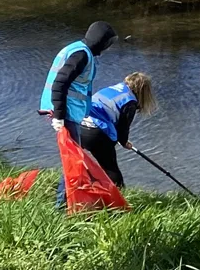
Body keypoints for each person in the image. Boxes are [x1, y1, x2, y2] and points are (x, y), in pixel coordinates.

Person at [40, 21, 118, 207]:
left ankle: (72, 201)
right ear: (101, 41)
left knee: (74, 159)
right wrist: (59, 116)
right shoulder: (81, 55)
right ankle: (61, 208)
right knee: (73, 162)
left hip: (66, 112)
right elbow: (60, 83)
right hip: (64, 113)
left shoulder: (77, 48)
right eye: (107, 43)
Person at [80, 72, 158, 188]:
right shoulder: (129, 101)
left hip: (81, 127)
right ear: (143, 91)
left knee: (86, 162)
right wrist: (124, 142)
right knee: (110, 168)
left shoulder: (114, 89)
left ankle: (88, 186)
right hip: (97, 131)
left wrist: (120, 139)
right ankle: (118, 198)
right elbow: (123, 127)